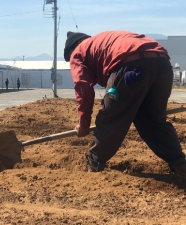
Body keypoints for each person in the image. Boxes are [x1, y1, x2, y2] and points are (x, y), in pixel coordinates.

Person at [64, 30, 186, 177]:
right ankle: (179, 163)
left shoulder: (78, 52)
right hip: (163, 64)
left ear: (71, 50)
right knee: (152, 120)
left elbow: (83, 88)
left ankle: (94, 163)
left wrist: (84, 124)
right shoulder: (102, 42)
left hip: (132, 67)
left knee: (111, 117)